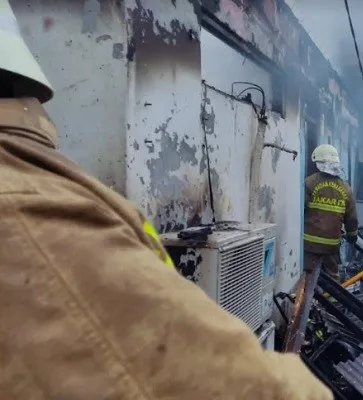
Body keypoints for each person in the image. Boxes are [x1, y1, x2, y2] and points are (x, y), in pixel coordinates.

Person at [0, 2, 332, 399]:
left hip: (314, 249)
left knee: (318, 283)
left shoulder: (37, 201)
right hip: (320, 252)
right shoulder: (38, 208)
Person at [304, 144, 359, 282]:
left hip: (310, 244)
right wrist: (353, 236)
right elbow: (351, 218)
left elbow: (300, 210)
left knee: (307, 277)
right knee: (332, 278)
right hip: (332, 245)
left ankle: (306, 302)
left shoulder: (309, 183)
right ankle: (332, 302)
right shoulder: (346, 188)